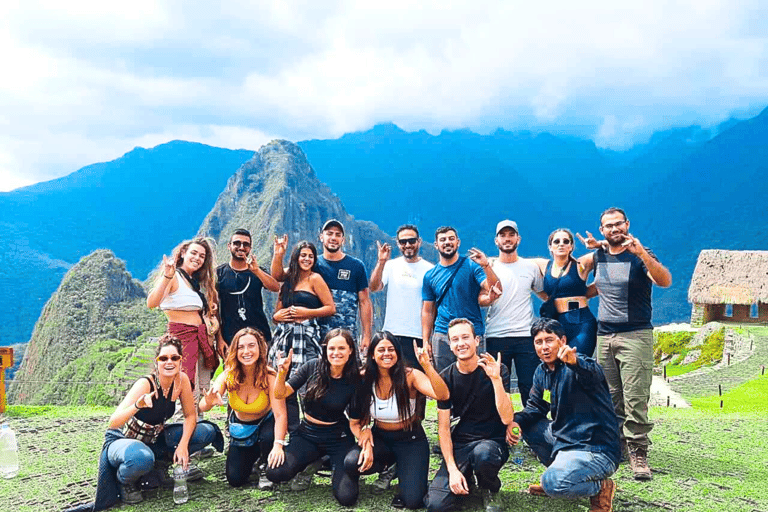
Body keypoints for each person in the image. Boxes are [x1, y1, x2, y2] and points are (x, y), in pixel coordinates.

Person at [577, 207, 672, 480]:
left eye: (618, 224)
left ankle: (638, 451)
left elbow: (664, 280)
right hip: (604, 336)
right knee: (609, 396)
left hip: (635, 334)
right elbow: (577, 266)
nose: (614, 229)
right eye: (608, 226)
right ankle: (615, 446)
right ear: (601, 230)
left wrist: (642, 253)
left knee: (635, 397)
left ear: (628, 224)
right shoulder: (599, 255)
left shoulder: (640, 255)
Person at [96, 335, 220, 508]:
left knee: (206, 431)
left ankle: (160, 466)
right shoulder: (145, 384)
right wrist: (138, 405)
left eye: (174, 358)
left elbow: (190, 416)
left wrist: (183, 445)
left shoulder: (181, 380)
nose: (169, 362)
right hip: (123, 442)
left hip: (154, 439)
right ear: (157, 362)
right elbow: (113, 422)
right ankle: (125, 481)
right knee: (141, 458)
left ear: (180, 361)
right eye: (164, 358)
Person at [510, 318, 620, 512]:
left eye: (549, 340)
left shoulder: (580, 364)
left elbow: (593, 373)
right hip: (565, 439)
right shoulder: (541, 372)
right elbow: (535, 407)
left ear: (562, 340)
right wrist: (514, 422)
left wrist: (575, 362)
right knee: (529, 427)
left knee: (553, 483)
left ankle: (599, 488)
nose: (544, 347)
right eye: (539, 342)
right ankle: (564, 476)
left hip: (595, 447)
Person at [344, 331, 449, 509]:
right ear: (372, 354)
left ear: (398, 353)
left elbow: (442, 394)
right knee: (352, 461)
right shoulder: (364, 378)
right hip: (381, 437)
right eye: (381, 350)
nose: (387, 354)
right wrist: (366, 441)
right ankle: (389, 466)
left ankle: (403, 467)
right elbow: (355, 422)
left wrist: (427, 366)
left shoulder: (411, 375)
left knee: (413, 501)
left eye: (391, 349)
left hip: (410, 440)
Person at [266, 329, 367, 506]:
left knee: (347, 497)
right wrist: (282, 372)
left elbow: (355, 421)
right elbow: (280, 393)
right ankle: (313, 460)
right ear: (325, 350)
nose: (336, 353)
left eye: (341, 348)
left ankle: (326, 461)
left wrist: (364, 441)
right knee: (275, 472)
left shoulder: (355, 380)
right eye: (332, 348)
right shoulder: (312, 366)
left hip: (337, 436)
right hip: (307, 434)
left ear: (350, 350)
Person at [425, 319, 514, 512]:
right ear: (450, 345)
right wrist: (452, 469)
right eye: (455, 339)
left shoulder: (496, 369)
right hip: (461, 445)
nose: (461, 343)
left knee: (483, 455)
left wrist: (496, 380)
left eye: (465, 337)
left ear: (477, 340)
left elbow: (507, 418)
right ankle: (465, 477)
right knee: (436, 506)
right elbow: (444, 428)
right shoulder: (446, 378)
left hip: (491, 442)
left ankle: (489, 487)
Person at [198, 328, 288, 488]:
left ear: (260, 349)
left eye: (251, 346)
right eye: (241, 347)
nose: (246, 351)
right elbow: (203, 406)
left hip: (266, 427)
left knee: (268, 436)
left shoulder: (269, 377)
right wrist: (209, 401)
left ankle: (264, 464)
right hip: (242, 430)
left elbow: (280, 414)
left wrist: (278, 445)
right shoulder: (228, 375)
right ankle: (254, 456)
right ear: (235, 351)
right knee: (235, 479)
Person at [271, 219, 372, 354]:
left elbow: (364, 301)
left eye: (338, 234)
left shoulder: (356, 266)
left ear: (343, 240)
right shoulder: (310, 264)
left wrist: (366, 335)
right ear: (321, 237)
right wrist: (278, 255)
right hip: (316, 336)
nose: (333, 238)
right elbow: (278, 276)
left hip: (345, 335)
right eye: (329, 233)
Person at [267, 240, 336, 433]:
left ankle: (313, 429)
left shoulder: (315, 279)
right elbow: (277, 312)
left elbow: (330, 308)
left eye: (310, 256)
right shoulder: (288, 281)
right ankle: (293, 431)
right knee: (284, 382)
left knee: (309, 385)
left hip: (306, 337)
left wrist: (307, 312)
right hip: (284, 336)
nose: (306, 259)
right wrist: (276, 316)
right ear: (296, 257)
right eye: (303, 255)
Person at [422, 226, 501, 373]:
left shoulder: (472, 266)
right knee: (445, 380)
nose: (447, 242)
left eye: (451, 239)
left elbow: (493, 287)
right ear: (436, 245)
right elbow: (427, 311)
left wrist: (486, 266)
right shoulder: (430, 276)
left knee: (477, 379)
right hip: (442, 334)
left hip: (472, 332)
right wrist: (426, 341)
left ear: (458, 242)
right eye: (443, 240)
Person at [484, 220, 545, 407]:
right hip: (496, 335)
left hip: (525, 336)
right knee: (498, 385)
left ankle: (533, 428)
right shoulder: (489, 267)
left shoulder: (531, 267)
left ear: (518, 238)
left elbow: (544, 294)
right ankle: (500, 429)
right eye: (503, 235)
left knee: (530, 386)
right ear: (496, 240)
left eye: (511, 235)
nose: (507, 239)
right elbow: (481, 297)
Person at [147, 238, 219, 390]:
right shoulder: (173, 277)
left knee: (203, 388)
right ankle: (184, 415)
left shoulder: (196, 283)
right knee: (184, 386)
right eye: (194, 253)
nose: (197, 258)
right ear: (184, 253)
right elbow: (152, 303)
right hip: (182, 339)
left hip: (202, 338)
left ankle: (198, 415)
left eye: (202, 256)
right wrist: (167, 276)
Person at [369, 225, 434, 367]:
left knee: (414, 381)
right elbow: (374, 287)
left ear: (419, 241)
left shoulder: (430, 270)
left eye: (412, 241)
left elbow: (430, 308)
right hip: (392, 333)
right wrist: (381, 262)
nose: (408, 245)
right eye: (403, 242)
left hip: (417, 336)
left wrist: (426, 340)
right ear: (398, 244)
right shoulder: (390, 265)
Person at [532, 228, 598, 356]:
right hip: (556, 323)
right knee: (557, 366)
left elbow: (607, 252)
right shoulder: (544, 265)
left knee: (577, 361)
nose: (561, 244)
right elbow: (516, 261)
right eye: (556, 241)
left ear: (571, 246)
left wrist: (599, 244)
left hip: (581, 322)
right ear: (550, 247)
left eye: (566, 241)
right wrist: (491, 261)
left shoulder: (581, 264)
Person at [216, 229, 280, 354]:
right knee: (232, 374)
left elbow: (275, 287)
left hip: (260, 336)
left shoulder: (257, 271)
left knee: (262, 373)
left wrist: (256, 271)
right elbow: (214, 310)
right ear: (229, 246)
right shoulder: (218, 274)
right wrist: (219, 339)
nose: (241, 247)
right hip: (231, 339)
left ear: (250, 248)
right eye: (237, 243)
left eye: (246, 244)